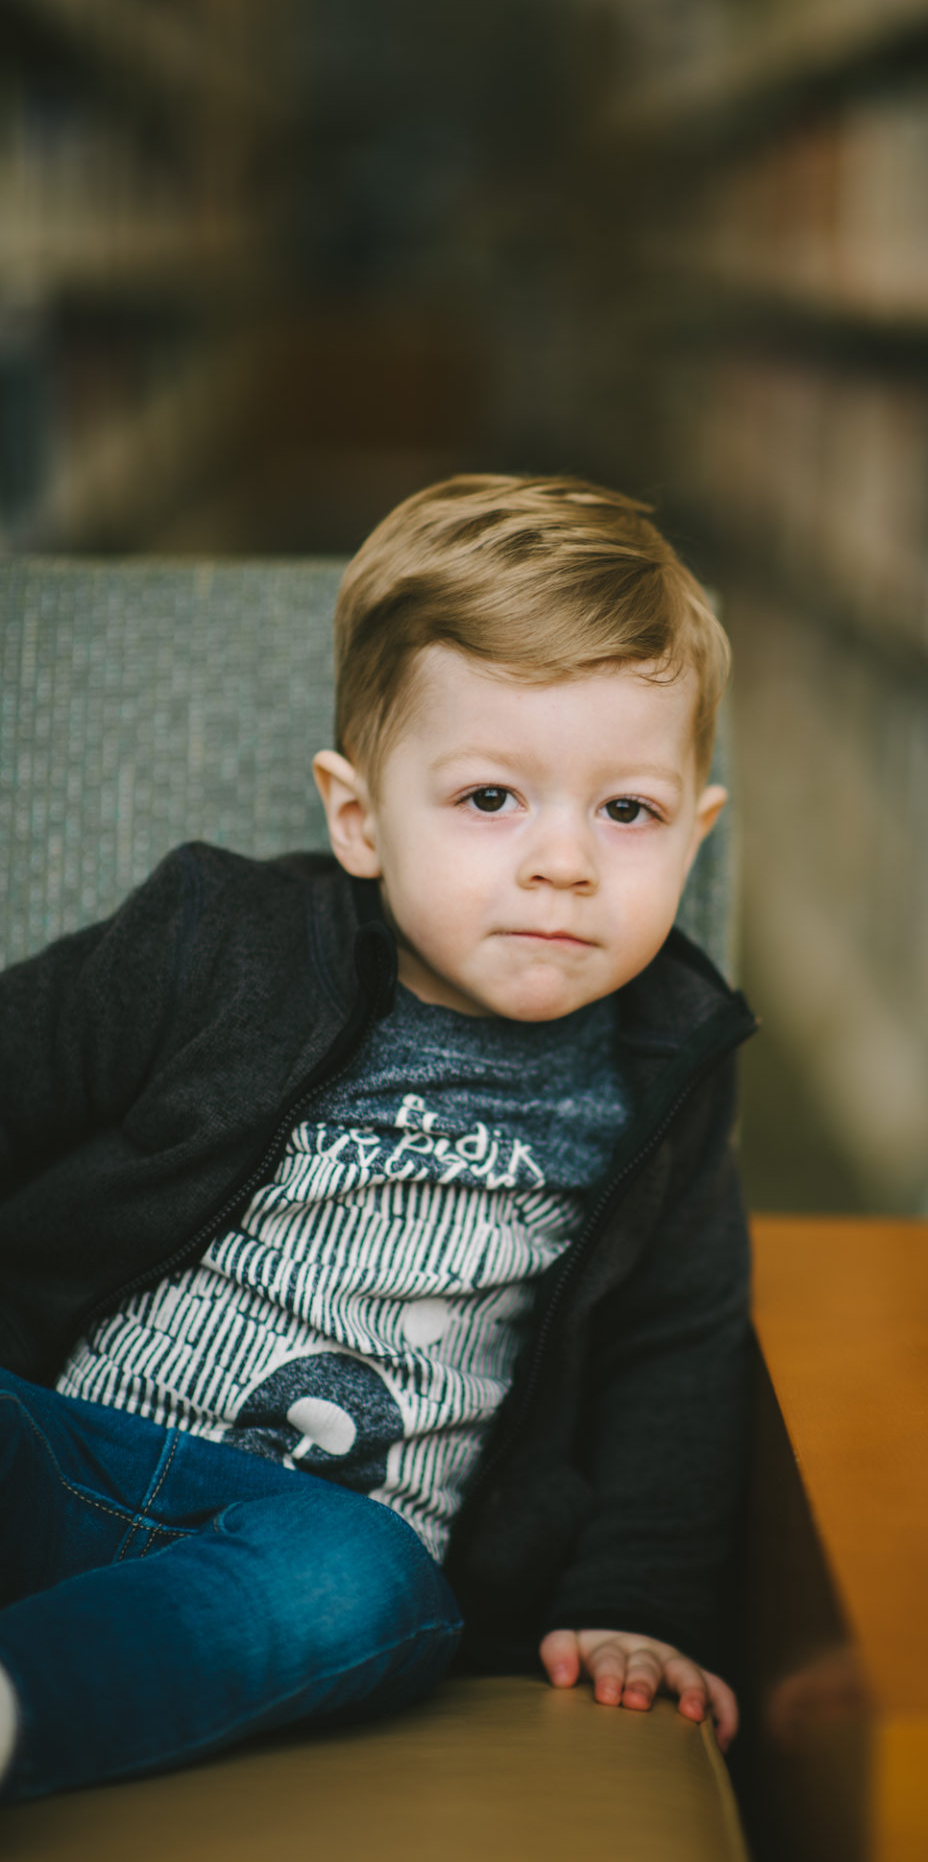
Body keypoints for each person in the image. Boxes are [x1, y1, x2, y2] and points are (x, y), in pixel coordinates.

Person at [0, 473, 757, 1802]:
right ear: (358, 818)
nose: (563, 863)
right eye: (489, 800)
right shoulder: (214, 945)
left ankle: (22, 1705)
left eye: (624, 812)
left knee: (360, 1587)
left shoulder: (663, 1079)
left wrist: (639, 1600)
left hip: (330, 1542)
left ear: (692, 831)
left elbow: (676, 1357)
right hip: (70, 1448)